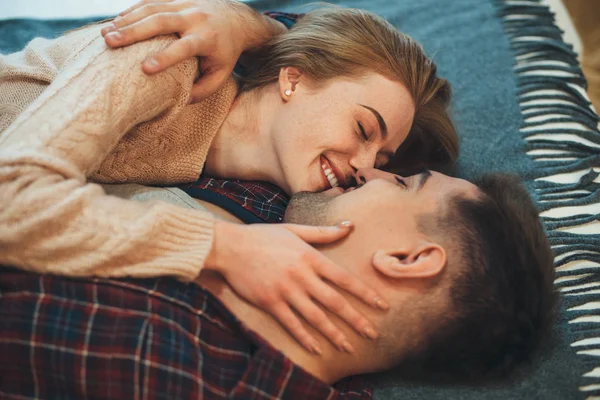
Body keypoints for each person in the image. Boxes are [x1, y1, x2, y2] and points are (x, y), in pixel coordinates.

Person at [0, 4, 457, 354]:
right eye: (362, 129)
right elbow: (9, 200)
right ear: (292, 81)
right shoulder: (171, 61)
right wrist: (223, 248)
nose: (363, 166)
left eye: (381, 157)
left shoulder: (232, 183)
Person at [0, 168, 557, 398]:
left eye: (405, 181)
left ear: (408, 258)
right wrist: (259, 26)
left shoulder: (146, 362)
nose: (373, 170)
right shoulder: (276, 206)